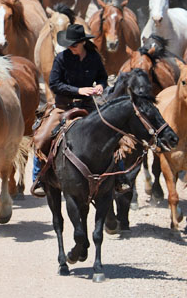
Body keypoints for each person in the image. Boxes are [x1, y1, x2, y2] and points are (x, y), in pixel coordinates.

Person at [31, 24, 124, 196]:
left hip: (88, 105)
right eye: (69, 44)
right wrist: (78, 90)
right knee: (42, 137)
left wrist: (101, 87)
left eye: (73, 44)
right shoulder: (61, 58)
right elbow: (54, 84)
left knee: (113, 136)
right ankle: (38, 178)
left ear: (82, 43)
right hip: (63, 106)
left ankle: (119, 177)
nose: (70, 47)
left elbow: (102, 78)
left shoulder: (94, 58)